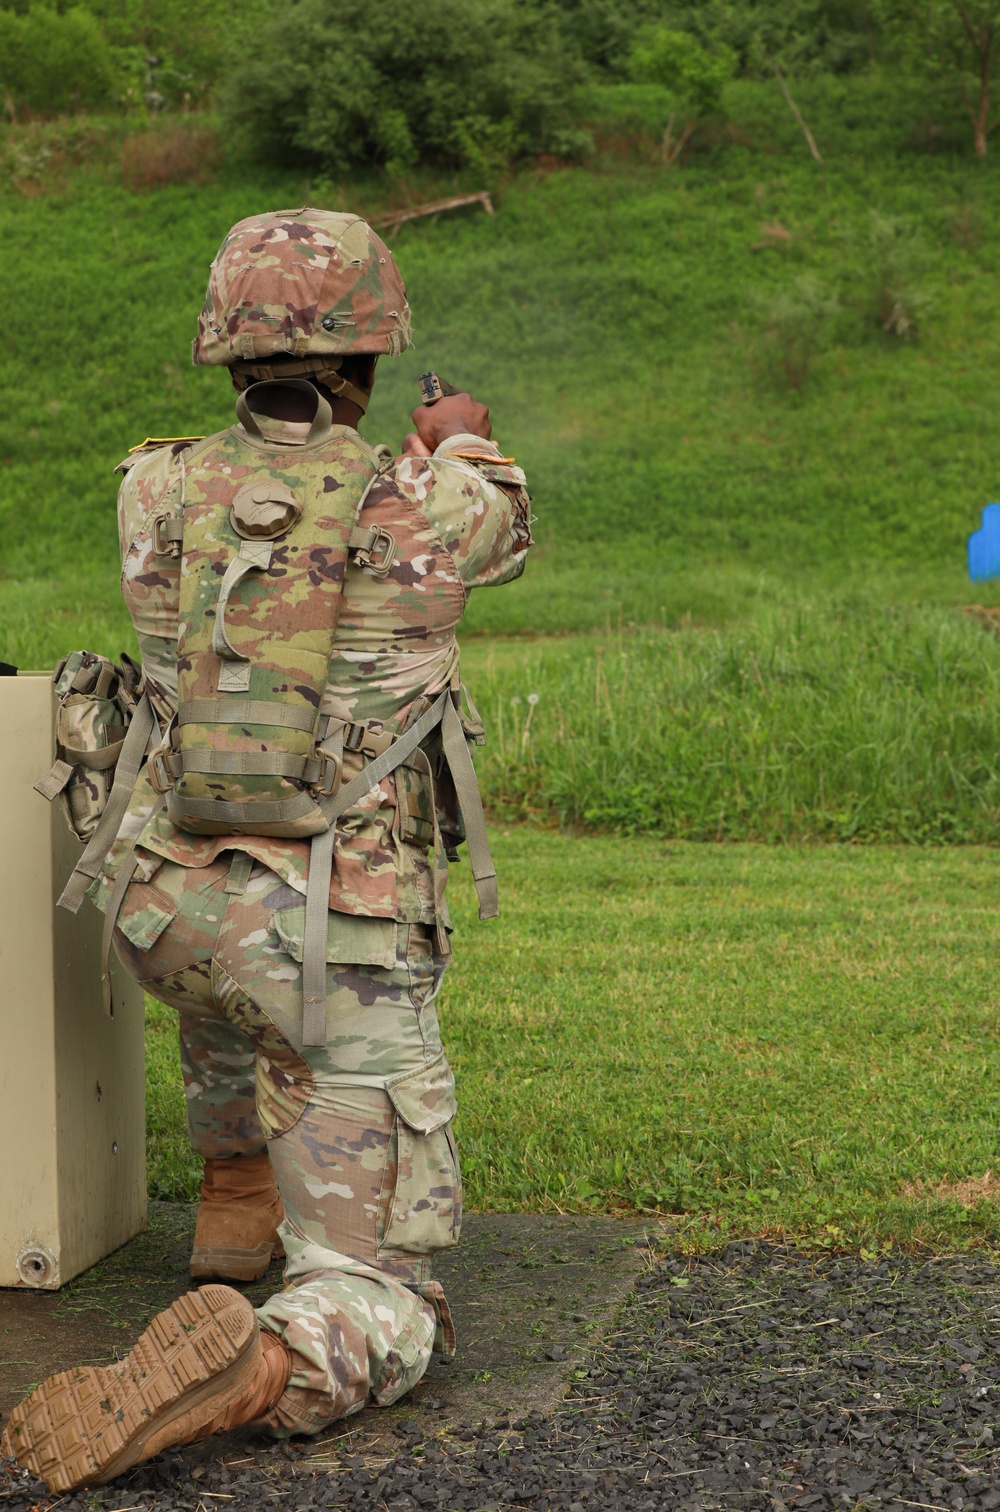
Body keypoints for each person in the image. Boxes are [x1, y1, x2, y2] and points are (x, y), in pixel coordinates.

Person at [1, 208, 531, 1492]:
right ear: (366, 353)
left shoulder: (150, 487)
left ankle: (237, 1193)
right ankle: (279, 1357)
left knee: (235, 951)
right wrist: (457, 433)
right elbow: (504, 521)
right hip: (332, 938)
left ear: (225, 349)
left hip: (169, 915)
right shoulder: (438, 502)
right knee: (385, 1290)